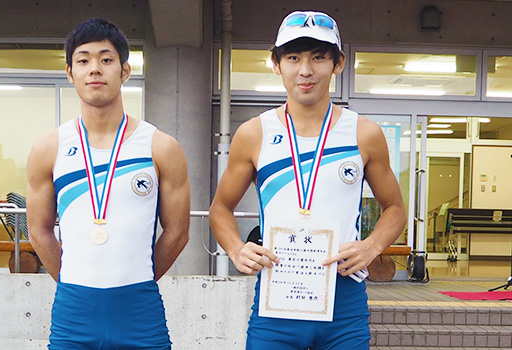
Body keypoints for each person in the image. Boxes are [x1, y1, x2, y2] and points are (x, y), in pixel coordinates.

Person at [209, 11, 406, 350]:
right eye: (293, 57)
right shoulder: (255, 133)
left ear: (338, 63)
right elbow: (220, 208)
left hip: (343, 303)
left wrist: (371, 246)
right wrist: (236, 249)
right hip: (277, 303)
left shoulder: (364, 133)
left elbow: (395, 208)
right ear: (275, 63)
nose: (305, 70)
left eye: (318, 57)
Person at [26, 18, 190, 350]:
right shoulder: (49, 148)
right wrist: (73, 280)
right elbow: (39, 230)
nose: (94, 69)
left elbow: (177, 232)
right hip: (74, 310)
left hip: (139, 309)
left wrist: (138, 278)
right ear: (70, 73)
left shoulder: (160, 147)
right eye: (83, 60)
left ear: (125, 71)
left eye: (106, 59)